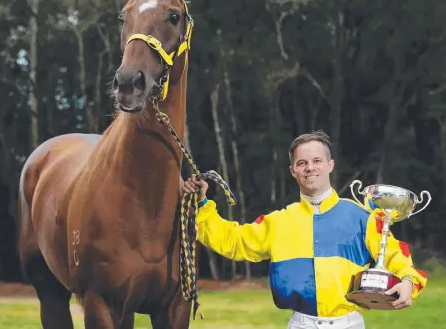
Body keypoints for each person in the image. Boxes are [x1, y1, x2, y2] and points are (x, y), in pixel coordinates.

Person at [183, 130, 427, 329]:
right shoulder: (278, 221)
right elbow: (232, 240)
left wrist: (408, 280)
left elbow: (396, 255)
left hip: (349, 323)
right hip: (301, 323)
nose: (310, 167)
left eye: (317, 161)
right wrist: (203, 205)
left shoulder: (362, 216)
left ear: (330, 165)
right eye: (302, 163)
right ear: (293, 171)